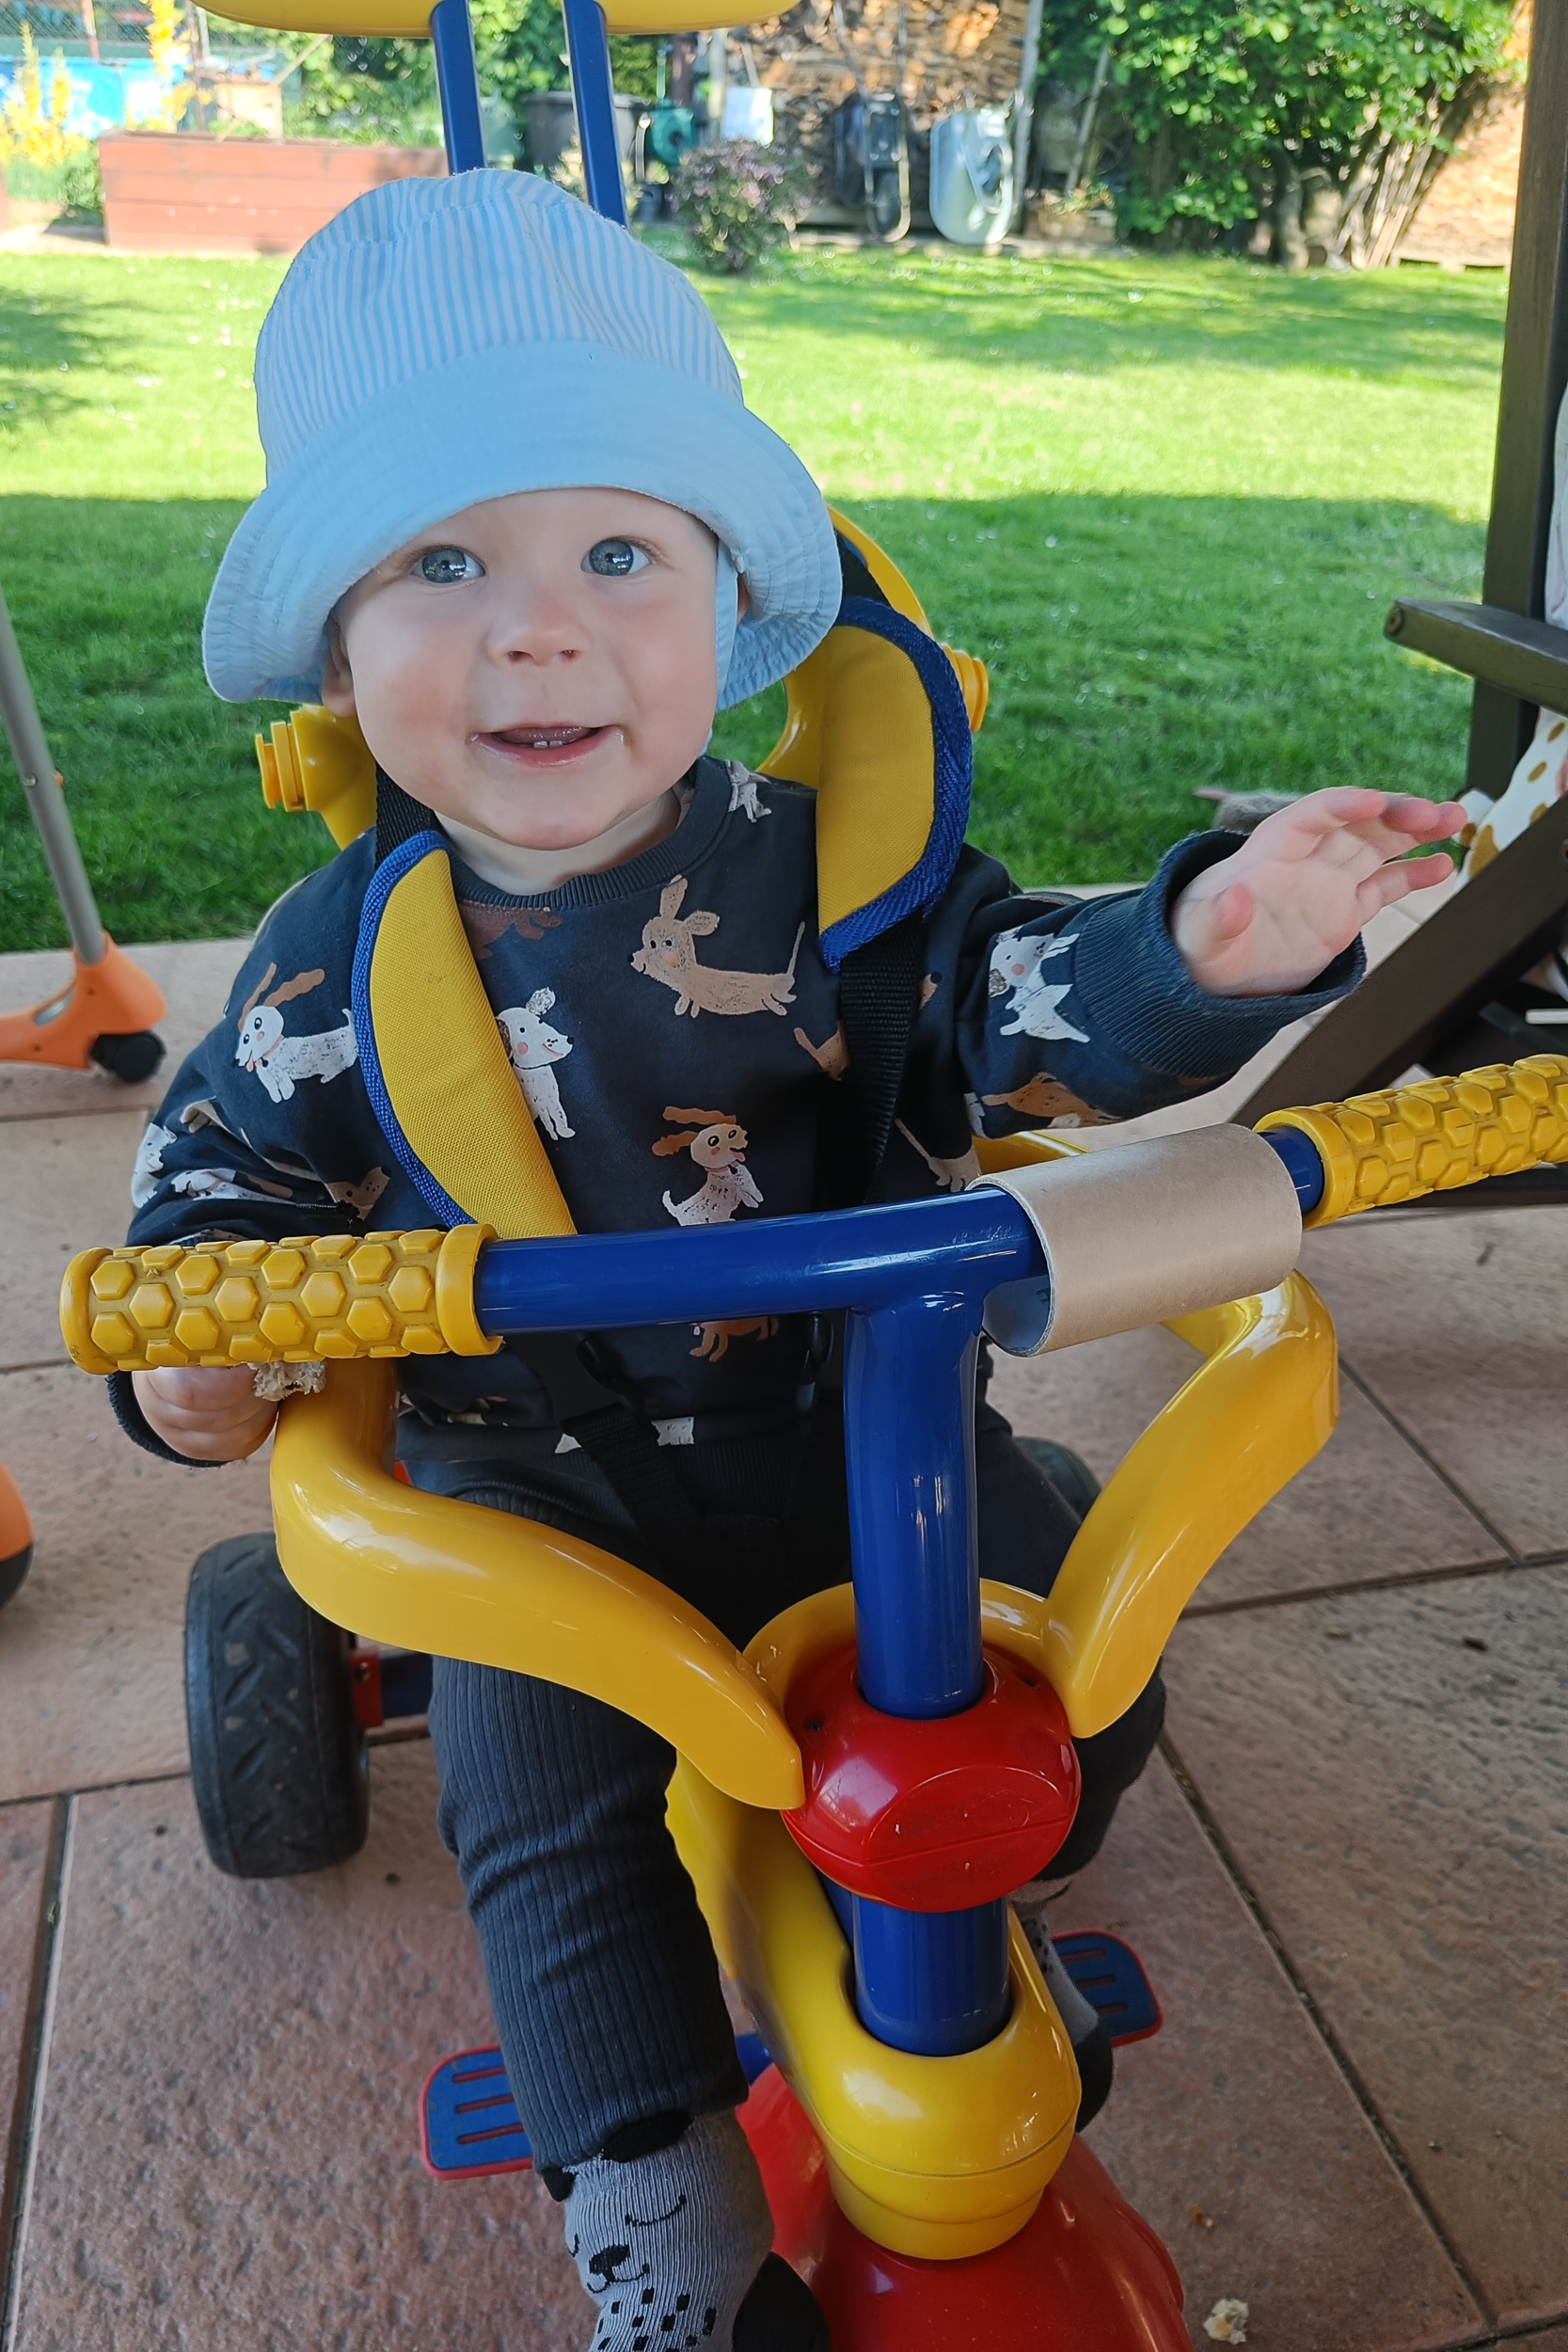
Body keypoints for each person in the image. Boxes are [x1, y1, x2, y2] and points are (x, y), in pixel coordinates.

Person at [112, 172, 1465, 2352]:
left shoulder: (838, 882)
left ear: (727, 604)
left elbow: (1028, 1011)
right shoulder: (326, 966)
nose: (537, 631)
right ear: (338, 662)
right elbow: (216, 1194)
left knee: (1084, 1695)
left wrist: (1210, 943)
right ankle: (656, 2225)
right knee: (546, 1815)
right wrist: (196, 1347)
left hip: (869, 1430)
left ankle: (963, 1935)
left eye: (616, 556)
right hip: (538, 1490)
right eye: (442, 564)